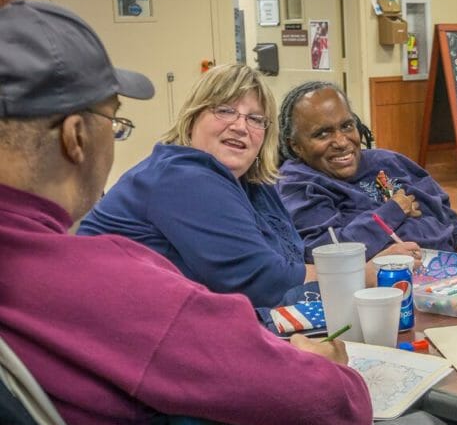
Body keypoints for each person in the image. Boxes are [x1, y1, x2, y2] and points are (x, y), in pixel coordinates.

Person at [0, 0, 457, 425]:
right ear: (75, 138)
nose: (241, 127)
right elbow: (333, 413)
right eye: (114, 125)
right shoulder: (103, 274)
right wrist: (316, 363)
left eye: (255, 119)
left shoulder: (37, 269)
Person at [76, 63, 310, 308]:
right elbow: (264, 283)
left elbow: (292, 259)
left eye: (255, 119)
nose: (240, 127)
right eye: (225, 110)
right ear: (192, 119)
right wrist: (341, 276)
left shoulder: (253, 183)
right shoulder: (182, 177)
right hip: (126, 329)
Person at [276, 81, 457, 260]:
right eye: (322, 134)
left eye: (347, 126)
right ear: (295, 145)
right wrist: (393, 211)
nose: (341, 141)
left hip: (444, 276)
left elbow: (442, 212)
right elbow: (326, 252)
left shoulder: (388, 161)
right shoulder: (299, 185)